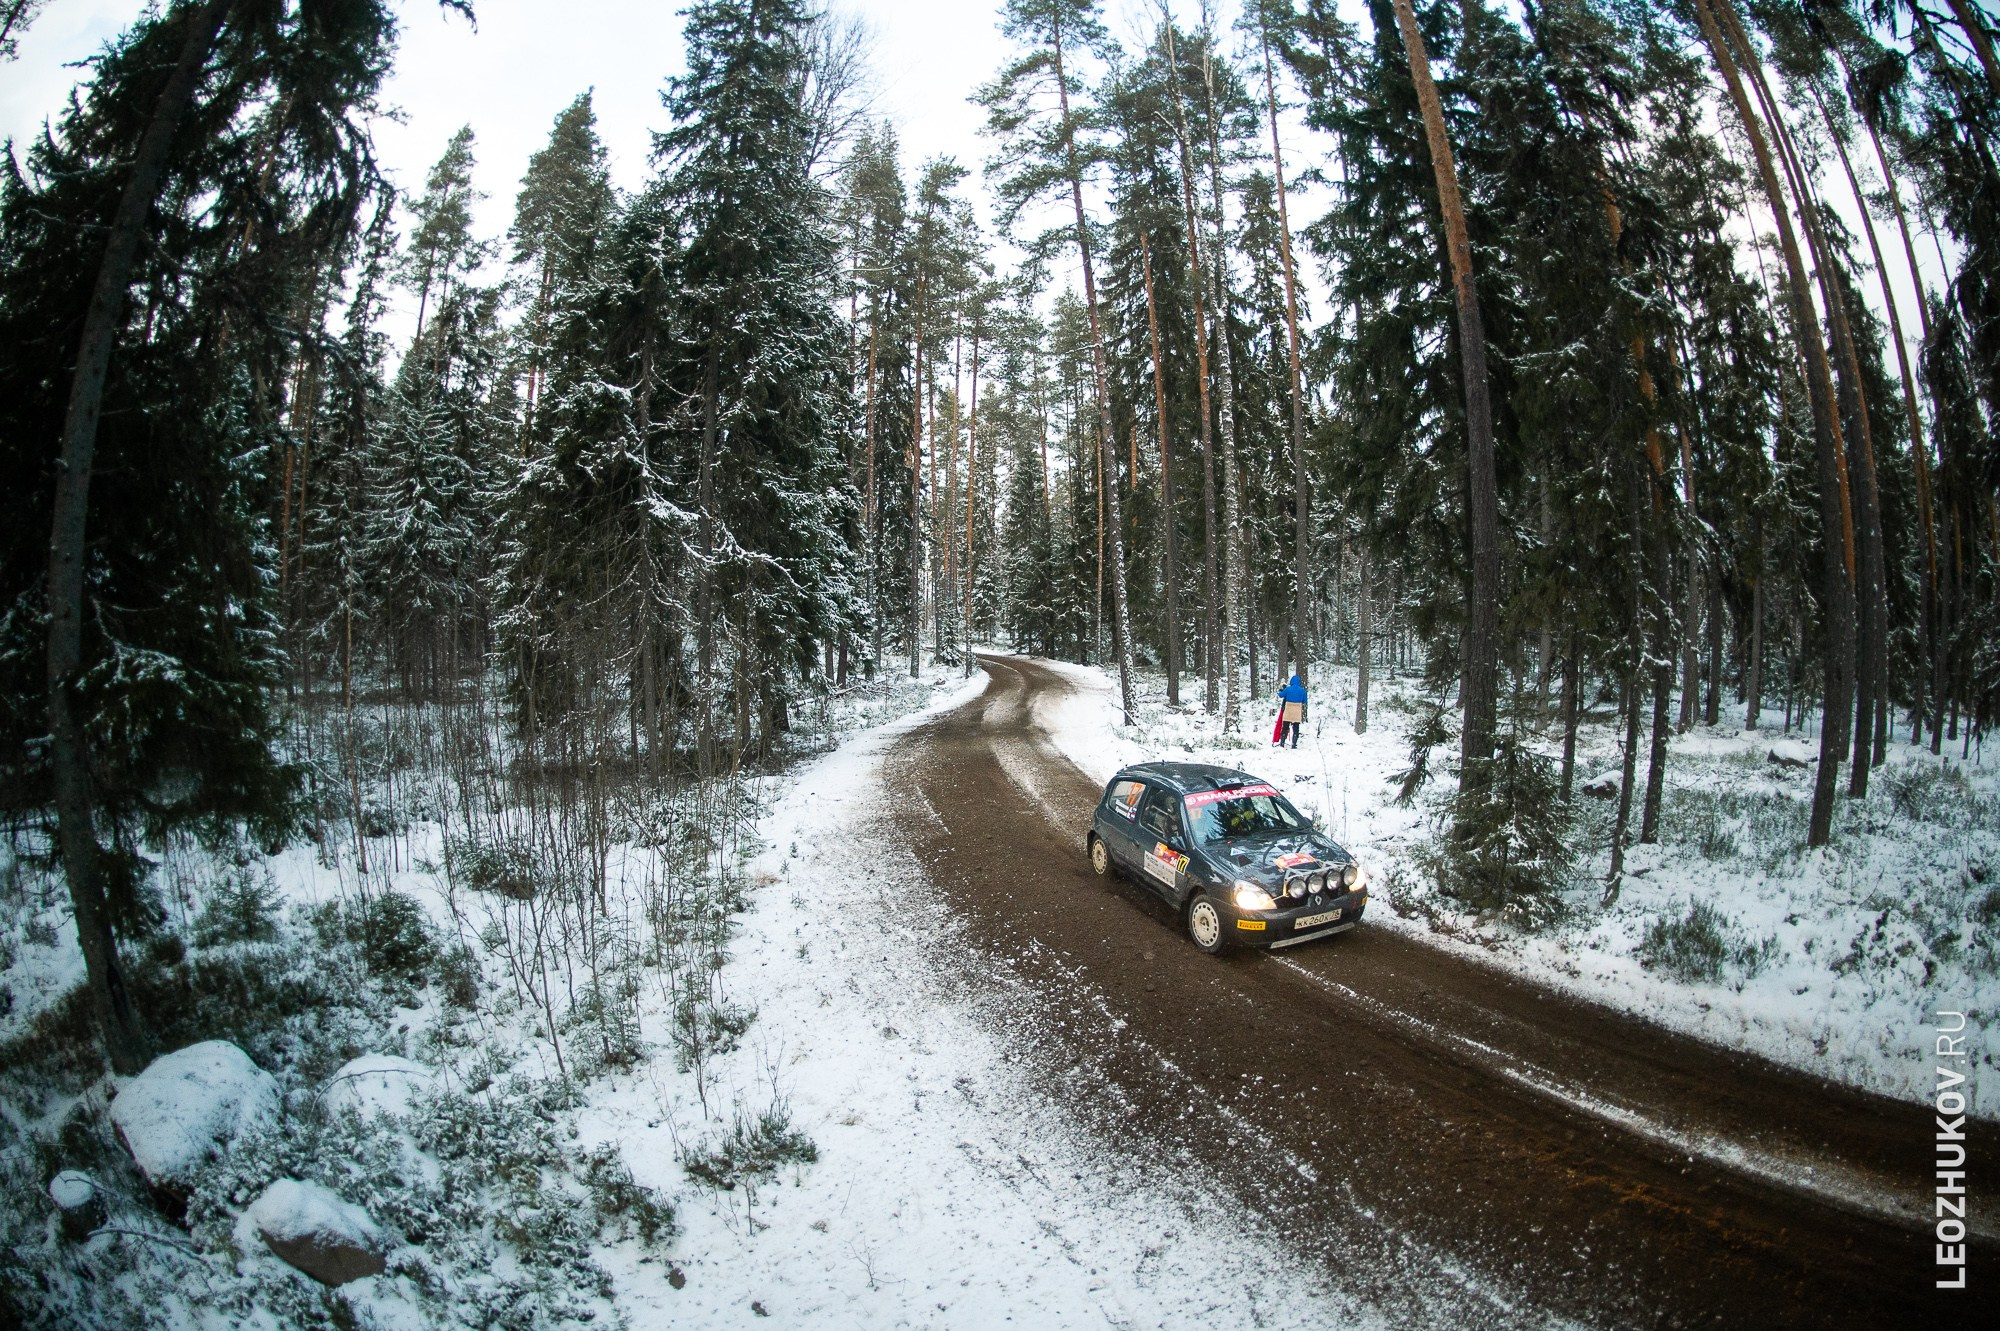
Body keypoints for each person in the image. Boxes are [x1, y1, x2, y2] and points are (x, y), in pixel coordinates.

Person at [1276, 672, 1307, 749]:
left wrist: (1280, 691)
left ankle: (1282, 743)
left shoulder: (1288, 689)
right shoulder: (1302, 690)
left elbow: (1281, 695)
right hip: (1297, 710)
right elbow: (1304, 701)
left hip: (1288, 710)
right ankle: (1294, 744)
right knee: (1296, 728)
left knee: (1285, 727)